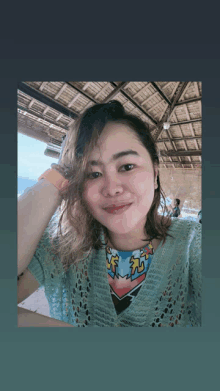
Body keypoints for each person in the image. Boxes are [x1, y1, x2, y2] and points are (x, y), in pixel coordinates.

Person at [17, 100, 202, 327]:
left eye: (126, 167)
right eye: (93, 174)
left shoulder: (195, 243)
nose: (112, 188)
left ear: (155, 174)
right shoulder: (63, 246)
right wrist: (57, 176)